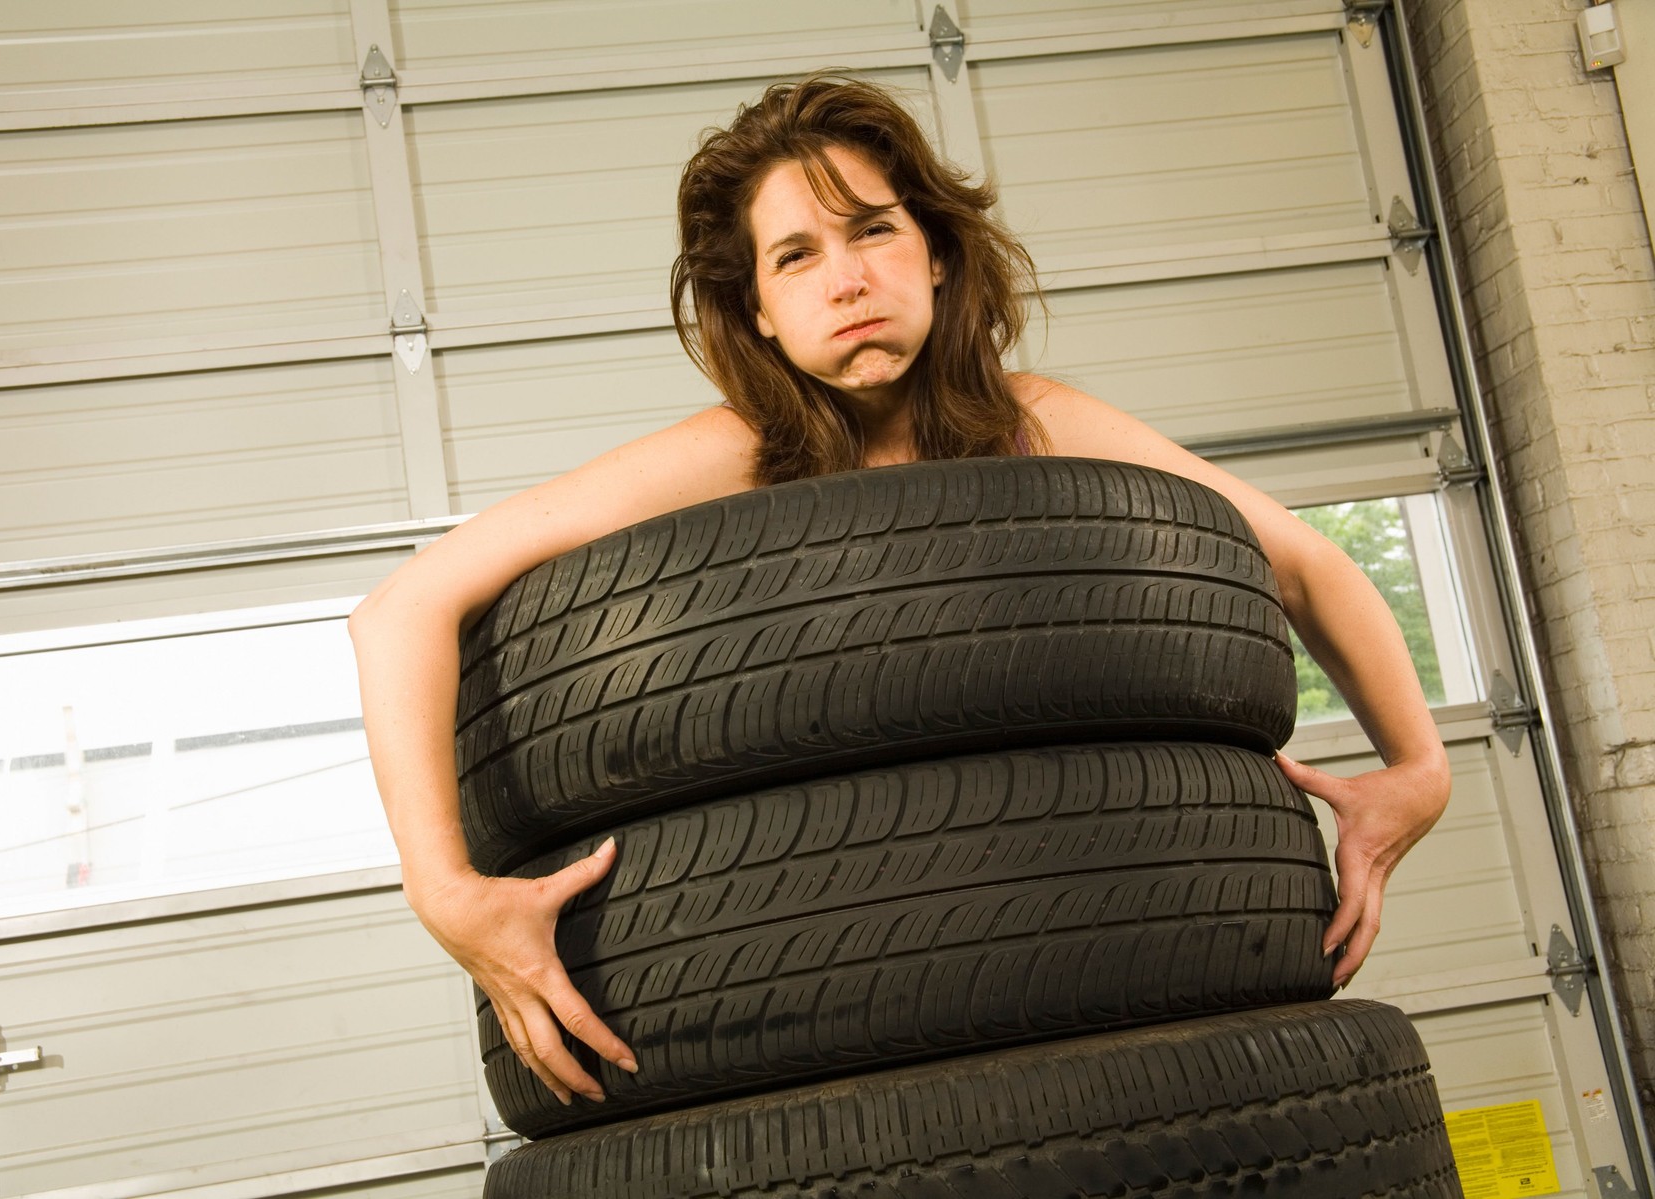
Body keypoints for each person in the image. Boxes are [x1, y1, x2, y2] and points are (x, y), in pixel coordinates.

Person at [348, 73, 1451, 1111]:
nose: (848, 278)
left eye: (873, 229)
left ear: (933, 254)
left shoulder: (1038, 422)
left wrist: (1418, 769)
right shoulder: (735, 452)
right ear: (762, 312)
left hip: (1096, 937)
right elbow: (402, 609)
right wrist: (447, 891)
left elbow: (1301, 558)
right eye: (795, 256)